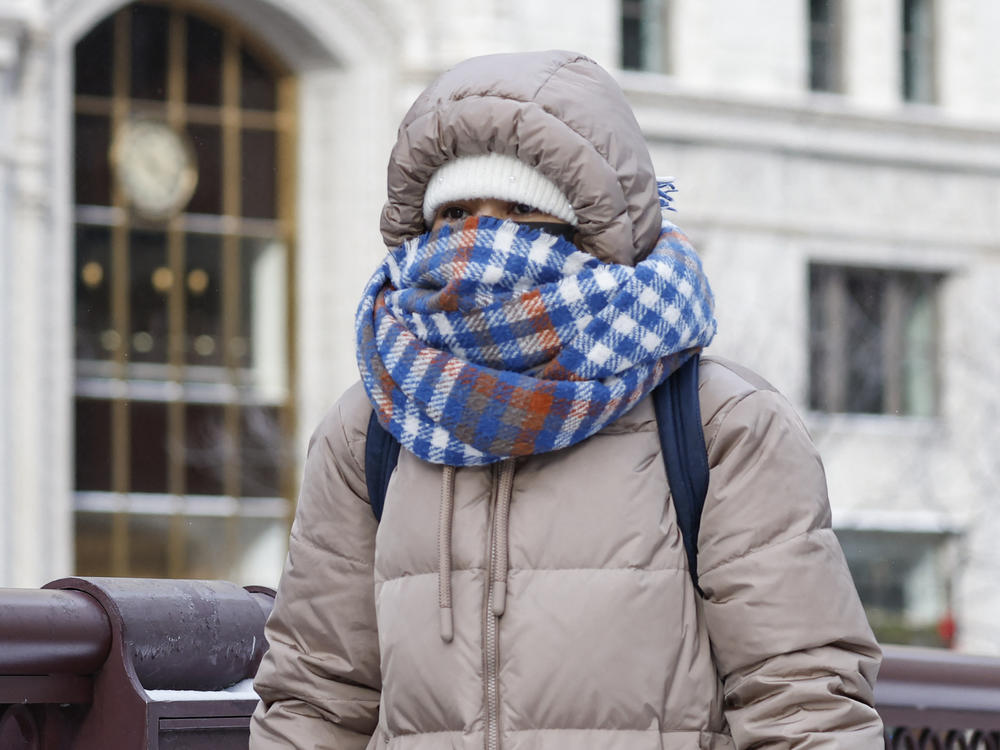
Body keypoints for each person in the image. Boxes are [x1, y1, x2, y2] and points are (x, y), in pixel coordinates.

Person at [250, 50, 884, 750]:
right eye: (455, 212)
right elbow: (316, 696)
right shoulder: (376, 422)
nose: (481, 241)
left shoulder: (718, 423)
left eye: (522, 210)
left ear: (587, 228)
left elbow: (800, 701)